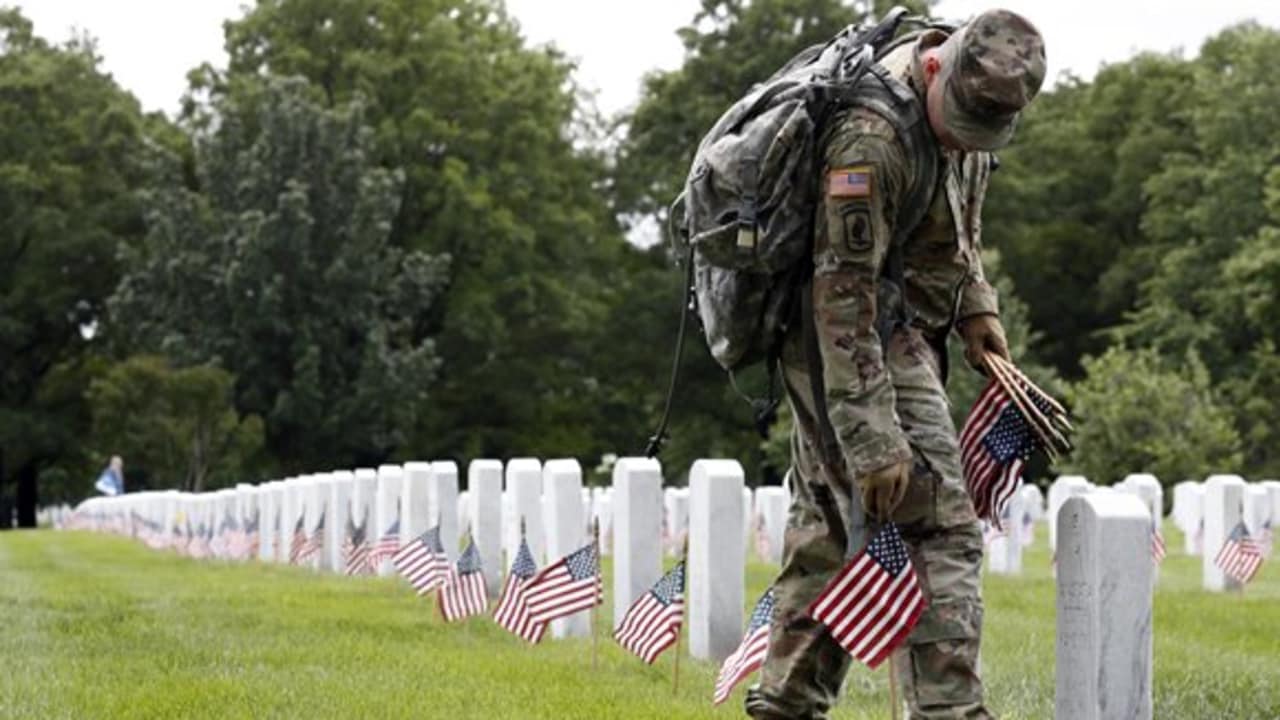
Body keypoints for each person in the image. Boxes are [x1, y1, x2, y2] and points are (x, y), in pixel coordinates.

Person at [744, 10, 1046, 720]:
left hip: (901, 321)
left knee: (830, 529)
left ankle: (786, 706)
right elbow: (841, 299)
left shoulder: (971, 105)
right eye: (958, 121)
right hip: (844, 332)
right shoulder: (870, 139)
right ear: (936, 66)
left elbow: (955, 227)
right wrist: (876, 442)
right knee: (938, 521)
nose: (964, 138)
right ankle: (950, 710)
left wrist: (978, 309)